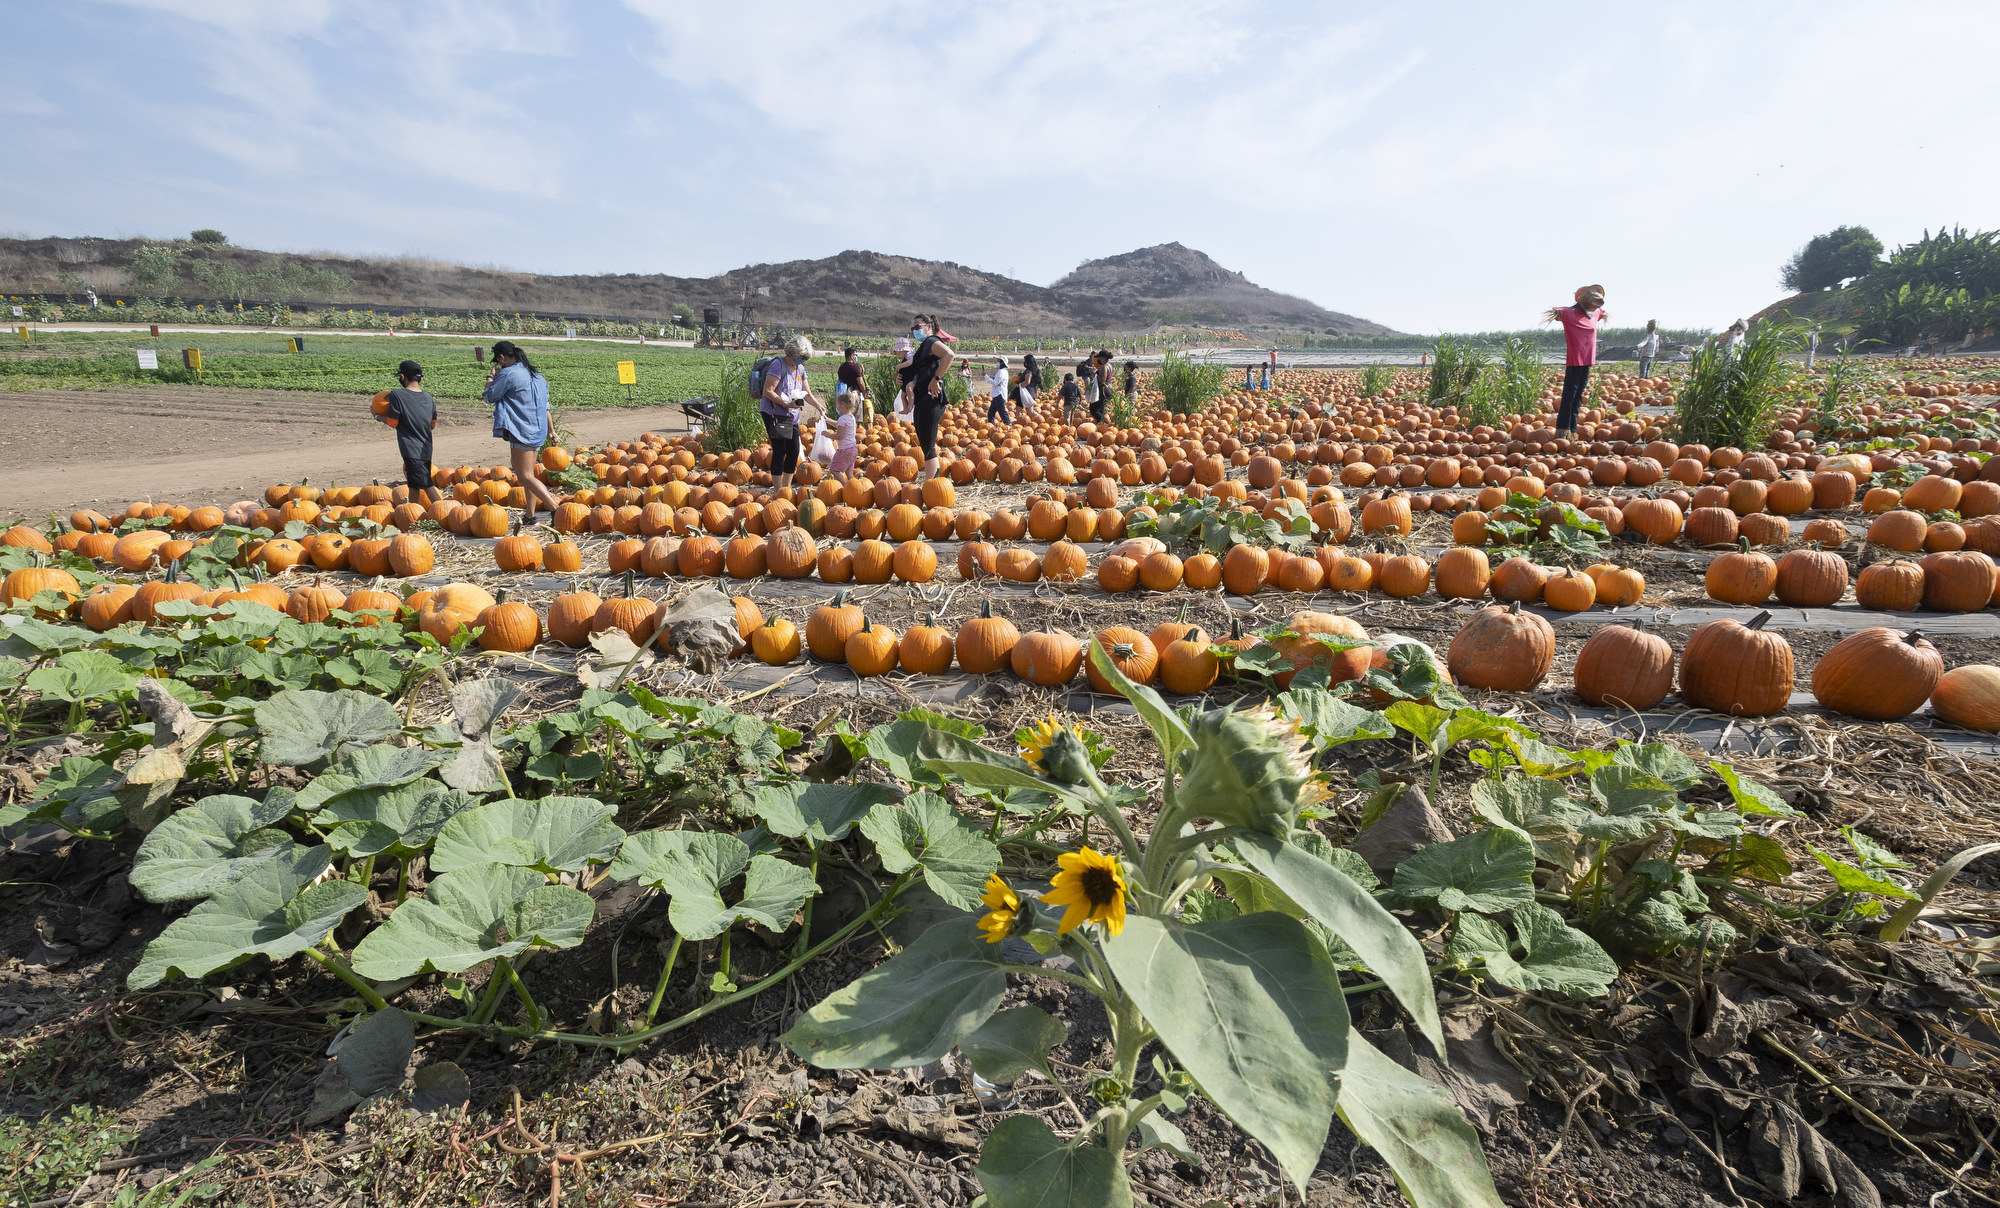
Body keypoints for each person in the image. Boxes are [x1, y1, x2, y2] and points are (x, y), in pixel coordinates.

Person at [483, 340, 563, 517]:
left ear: (501, 358)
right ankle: (530, 515)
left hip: (522, 428)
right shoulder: (536, 376)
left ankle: (555, 510)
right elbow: (546, 406)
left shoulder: (508, 374)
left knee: (524, 476)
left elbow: (490, 396)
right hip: (539, 429)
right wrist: (551, 431)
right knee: (530, 474)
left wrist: (490, 378)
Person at [759, 334, 821, 494]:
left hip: (791, 414)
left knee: (794, 450)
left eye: (805, 358)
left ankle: (786, 489)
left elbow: (806, 392)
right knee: (780, 450)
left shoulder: (800, 368)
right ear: (793, 353)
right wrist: (785, 403)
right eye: (801, 357)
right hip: (774, 413)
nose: (803, 360)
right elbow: (768, 391)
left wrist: (818, 405)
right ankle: (778, 490)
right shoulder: (777, 365)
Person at [1546, 285, 1607, 439]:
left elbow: (1603, 313)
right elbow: (1558, 312)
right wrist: (1555, 312)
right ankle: (1563, 429)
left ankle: (1572, 430)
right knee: (1569, 395)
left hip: (1588, 361)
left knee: (1579, 396)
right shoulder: (1570, 313)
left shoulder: (1595, 313)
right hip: (1574, 361)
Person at [378, 359, 440, 505]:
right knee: (414, 484)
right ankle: (412, 512)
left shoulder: (397, 395)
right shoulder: (428, 398)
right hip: (426, 447)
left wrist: (378, 417)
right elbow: (432, 425)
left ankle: (444, 510)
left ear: (402, 377)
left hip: (411, 449)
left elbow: (393, 422)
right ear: (421, 378)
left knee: (426, 483)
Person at [907, 317, 954, 481]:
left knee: (928, 445)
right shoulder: (924, 345)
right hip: (923, 399)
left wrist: (936, 379)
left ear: (928, 326)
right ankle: (931, 483)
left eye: (917, 327)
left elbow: (949, 354)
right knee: (925, 442)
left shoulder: (931, 341)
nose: (915, 331)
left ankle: (932, 484)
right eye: (912, 328)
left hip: (931, 398)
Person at [829, 393, 858, 477]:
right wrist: (827, 420)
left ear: (842, 406)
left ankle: (846, 487)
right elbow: (839, 424)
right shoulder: (851, 417)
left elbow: (839, 436)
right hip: (853, 449)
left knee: (834, 470)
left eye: (837, 405)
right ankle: (853, 488)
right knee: (849, 473)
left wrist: (828, 435)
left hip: (844, 450)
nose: (837, 408)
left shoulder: (842, 419)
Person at [986, 356, 1011, 424]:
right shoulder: (1001, 372)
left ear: (1002, 363)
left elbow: (995, 383)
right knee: (991, 412)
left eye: (998, 361)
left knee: (1002, 412)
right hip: (997, 394)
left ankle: (1008, 424)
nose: (996, 363)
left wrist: (986, 376)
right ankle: (990, 425)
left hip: (999, 395)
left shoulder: (1002, 373)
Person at [1017, 353, 1041, 417]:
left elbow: (1027, 382)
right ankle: (1041, 420)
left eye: (1025, 361)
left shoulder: (1029, 371)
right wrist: (1022, 375)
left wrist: (1019, 385)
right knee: (1030, 411)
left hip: (1025, 393)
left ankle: (1017, 423)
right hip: (1031, 392)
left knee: (1019, 410)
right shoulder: (1034, 370)